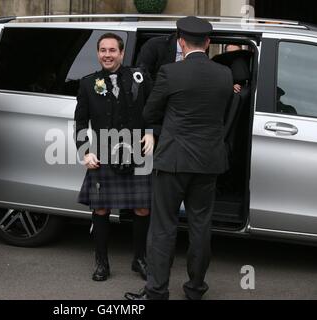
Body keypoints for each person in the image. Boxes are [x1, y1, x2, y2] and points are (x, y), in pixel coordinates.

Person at [125, 16, 233, 300]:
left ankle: (157, 291)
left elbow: (149, 113)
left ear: (181, 41)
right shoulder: (225, 75)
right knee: (200, 227)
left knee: (163, 227)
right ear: (208, 43)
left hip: (173, 160)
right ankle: (196, 289)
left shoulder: (171, 73)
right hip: (209, 162)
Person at [74, 33, 155, 281]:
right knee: (101, 209)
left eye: (112, 50)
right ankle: (101, 263)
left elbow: (154, 109)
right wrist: (84, 152)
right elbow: (80, 121)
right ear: (98, 53)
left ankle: (140, 259)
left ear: (121, 53)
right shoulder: (88, 83)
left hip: (137, 150)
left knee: (143, 208)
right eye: (102, 50)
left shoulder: (139, 78)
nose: (107, 55)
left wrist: (153, 134)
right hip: (103, 151)